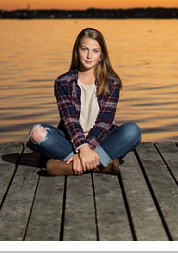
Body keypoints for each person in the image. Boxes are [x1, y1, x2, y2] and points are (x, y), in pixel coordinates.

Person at [27, 27, 141, 176]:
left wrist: (88, 149)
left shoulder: (112, 82)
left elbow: (104, 122)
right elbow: (70, 120)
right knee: (37, 133)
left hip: (102, 140)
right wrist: (82, 147)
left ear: (101, 55)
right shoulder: (63, 82)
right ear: (77, 51)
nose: (89, 56)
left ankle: (70, 165)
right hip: (70, 140)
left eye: (95, 51)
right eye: (84, 49)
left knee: (132, 131)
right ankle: (101, 165)